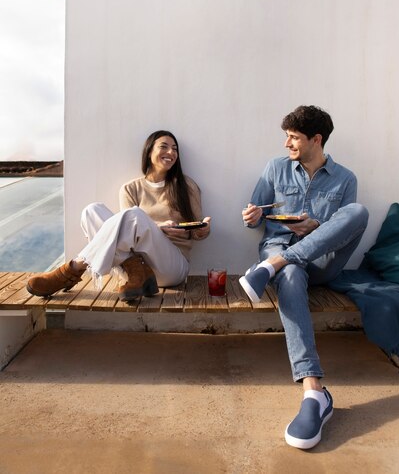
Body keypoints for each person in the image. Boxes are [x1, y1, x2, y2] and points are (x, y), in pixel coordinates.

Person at [239, 105, 368, 450]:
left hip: (323, 261)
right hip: (280, 251)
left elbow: (343, 232)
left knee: (358, 212)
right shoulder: (275, 169)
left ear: (316, 139)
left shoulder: (346, 179)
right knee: (291, 274)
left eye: (294, 137)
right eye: (286, 137)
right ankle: (314, 392)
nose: (287, 144)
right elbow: (257, 218)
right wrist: (251, 216)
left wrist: (317, 226)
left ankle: (275, 265)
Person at [27, 130, 211, 302]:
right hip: (133, 267)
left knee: (134, 215)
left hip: (172, 267)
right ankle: (138, 273)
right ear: (149, 152)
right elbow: (124, 232)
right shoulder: (130, 189)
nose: (171, 152)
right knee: (92, 211)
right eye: (164, 146)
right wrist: (158, 227)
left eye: (175, 149)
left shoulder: (186, 186)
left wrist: (202, 230)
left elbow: (196, 230)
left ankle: (72, 270)